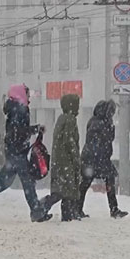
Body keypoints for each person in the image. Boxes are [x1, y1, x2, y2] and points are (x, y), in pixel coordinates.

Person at [0, 83, 50, 222]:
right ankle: (36, 211)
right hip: (17, 152)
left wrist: (33, 130)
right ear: (21, 95)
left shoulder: (15, 108)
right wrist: (35, 129)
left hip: (14, 151)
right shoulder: (19, 109)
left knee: (2, 183)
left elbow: (17, 130)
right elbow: (18, 131)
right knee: (27, 181)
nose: (29, 97)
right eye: (27, 94)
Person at [36, 94, 82, 222]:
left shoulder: (61, 119)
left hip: (59, 160)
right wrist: (76, 158)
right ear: (72, 106)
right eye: (77, 104)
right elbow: (70, 141)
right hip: (65, 161)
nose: (78, 107)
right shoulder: (70, 120)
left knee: (63, 190)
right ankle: (42, 208)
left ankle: (64, 214)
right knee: (65, 190)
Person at [78, 100, 127, 219]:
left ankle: (78, 208)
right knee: (89, 183)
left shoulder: (96, 122)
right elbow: (103, 140)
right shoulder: (99, 123)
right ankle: (113, 209)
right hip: (96, 158)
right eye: (112, 112)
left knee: (86, 183)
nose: (112, 115)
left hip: (95, 158)